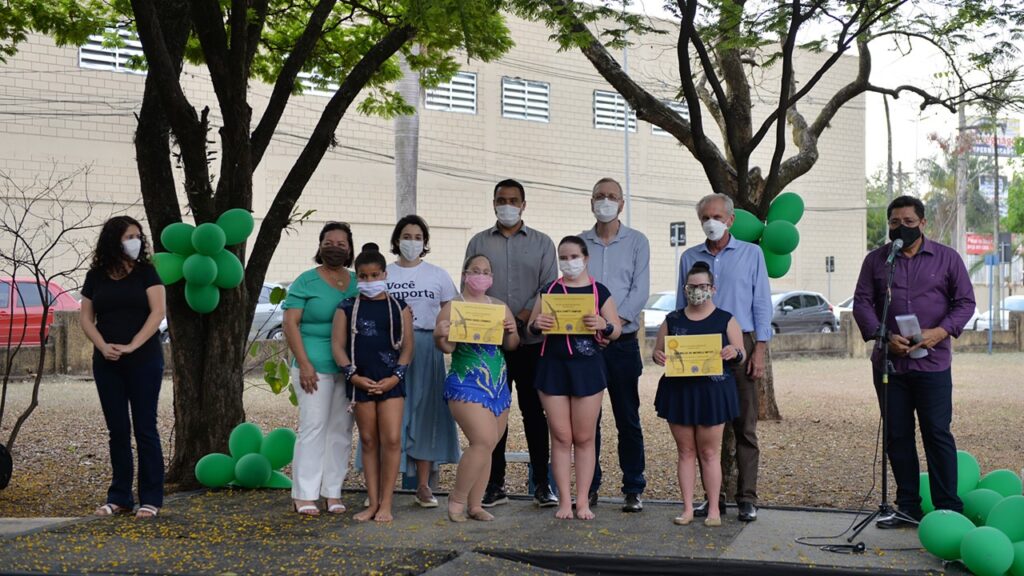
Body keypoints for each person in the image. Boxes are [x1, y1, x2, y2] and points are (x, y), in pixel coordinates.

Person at [853, 195, 974, 528]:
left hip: (932, 364)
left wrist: (940, 332)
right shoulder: (877, 261)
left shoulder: (947, 258)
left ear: (923, 223)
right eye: (894, 222)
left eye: (908, 222)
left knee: (937, 433)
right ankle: (907, 506)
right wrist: (883, 336)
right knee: (897, 436)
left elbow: (965, 302)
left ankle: (948, 508)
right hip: (890, 365)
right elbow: (862, 302)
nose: (901, 227)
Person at [465, 179, 559, 508]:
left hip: (532, 342)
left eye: (513, 200)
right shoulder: (478, 241)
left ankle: (542, 484)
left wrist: (519, 316)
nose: (507, 205)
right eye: (501, 199)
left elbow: (549, 288)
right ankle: (494, 483)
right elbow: (471, 284)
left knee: (535, 412)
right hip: (489, 347)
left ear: (523, 204)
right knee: (494, 413)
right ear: (493, 203)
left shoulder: (543, 243)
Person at [678, 193, 772, 523]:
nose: (711, 222)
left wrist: (759, 349)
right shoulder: (689, 257)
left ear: (731, 220)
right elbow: (681, 306)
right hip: (700, 345)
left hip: (741, 343)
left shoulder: (752, 254)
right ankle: (712, 499)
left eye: (717, 216)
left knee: (744, 427)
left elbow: (761, 303)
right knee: (705, 427)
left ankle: (747, 498)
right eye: (705, 217)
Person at [529, 236, 621, 520]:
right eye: (563, 257)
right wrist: (536, 325)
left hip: (587, 370)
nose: (569, 262)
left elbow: (616, 330)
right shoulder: (549, 290)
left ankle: (583, 501)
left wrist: (603, 325)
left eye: (573, 256)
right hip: (552, 369)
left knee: (583, 437)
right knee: (560, 436)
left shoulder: (599, 291)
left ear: (585, 258)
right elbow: (530, 329)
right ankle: (564, 502)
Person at [80, 216, 166, 519]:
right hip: (106, 363)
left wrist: (132, 345)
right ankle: (119, 497)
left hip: (144, 360)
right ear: (114, 240)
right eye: (130, 236)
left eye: (139, 236)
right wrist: (103, 346)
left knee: (145, 429)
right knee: (117, 430)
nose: (137, 241)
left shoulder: (147, 273)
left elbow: (157, 313)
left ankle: (151, 498)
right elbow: (86, 319)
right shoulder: (96, 276)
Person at [653, 262, 743, 527]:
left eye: (702, 287)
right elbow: (658, 352)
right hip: (679, 392)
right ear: (685, 289)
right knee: (685, 452)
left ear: (712, 289)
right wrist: (658, 356)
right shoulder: (672, 319)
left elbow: (740, 351)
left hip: (713, 393)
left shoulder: (725, 319)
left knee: (709, 453)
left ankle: (714, 509)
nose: (697, 292)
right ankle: (687, 509)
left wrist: (734, 352)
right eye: (691, 287)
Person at [580, 177, 649, 512]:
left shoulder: (637, 242)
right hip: (584, 344)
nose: (605, 201)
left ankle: (633, 486)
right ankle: (589, 487)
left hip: (621, 344)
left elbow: (640, 290)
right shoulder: (579, 243)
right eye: (599, 196)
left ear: (622, 203)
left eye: (611, 196)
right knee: (587, 421)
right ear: (590, 201)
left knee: (628, 418)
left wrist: (613, 325)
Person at [282, 221, 359, 516]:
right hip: (312, 365)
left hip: (348, 368)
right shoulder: (306, 281)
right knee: (313, 427)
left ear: (349, 248)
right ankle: (304, 494)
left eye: (341, 244)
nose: (335, 248)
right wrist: (304, 364)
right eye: (329, 242)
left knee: (341, 430)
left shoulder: (356, 281)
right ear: (319, 245)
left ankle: (333, 491)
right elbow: (291, 323)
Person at [435, 254, 520, 522]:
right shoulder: (453, 306)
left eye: (486, 271)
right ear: (465, 274)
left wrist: (512, 330)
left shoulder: (499, 306)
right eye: (475, 270)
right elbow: (447, 347)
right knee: (482, 440)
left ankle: (475, 503)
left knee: (488, 445)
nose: (480, 275)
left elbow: (511, 345)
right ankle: (457, 499)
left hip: (497, 384)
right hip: (466, 380)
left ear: (491, 278)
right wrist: (441, 334)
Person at [333, 243, 414, 522]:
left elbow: (407, 348)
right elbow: (338, 346)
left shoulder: (399, 307)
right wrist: (352, 375)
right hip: (360, 382)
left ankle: (387, 503)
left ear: (384, 274)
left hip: (392, 383)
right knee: (368, 440)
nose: (369, 281)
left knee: (391, 440)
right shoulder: (346, 307)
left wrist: (395, 377)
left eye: (375, 275)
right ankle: (372, 501)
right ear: (357, 277)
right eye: (364, 276)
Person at [384, 215, 460, 507]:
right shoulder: (385, 273)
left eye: (418, 237)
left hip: (428, 348)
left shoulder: (438, 275)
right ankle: (383, 487)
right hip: (390, 349)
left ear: (425, 242)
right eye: (407, 235)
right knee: (390, 416)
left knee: (427, 415)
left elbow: (450, 312)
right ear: (396, 239)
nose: (412, 242)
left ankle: (424, 485)